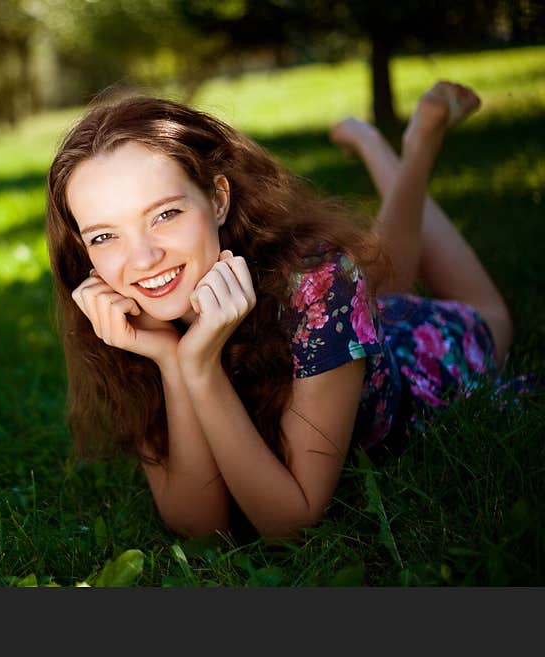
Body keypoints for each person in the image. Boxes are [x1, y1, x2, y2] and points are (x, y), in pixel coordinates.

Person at [45, 81, 515, 539]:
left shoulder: (320, 285)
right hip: (348, 324)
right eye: (105, 236)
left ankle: (417, 144)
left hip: (418, 357)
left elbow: (290, 520)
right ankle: (385, 144)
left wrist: (201, 367)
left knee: (490, 316)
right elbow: (200, 526)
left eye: (166, 214)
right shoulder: (123, 317)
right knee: (377, 281)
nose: (143, 259)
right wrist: (172, 360)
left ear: (218, 198)